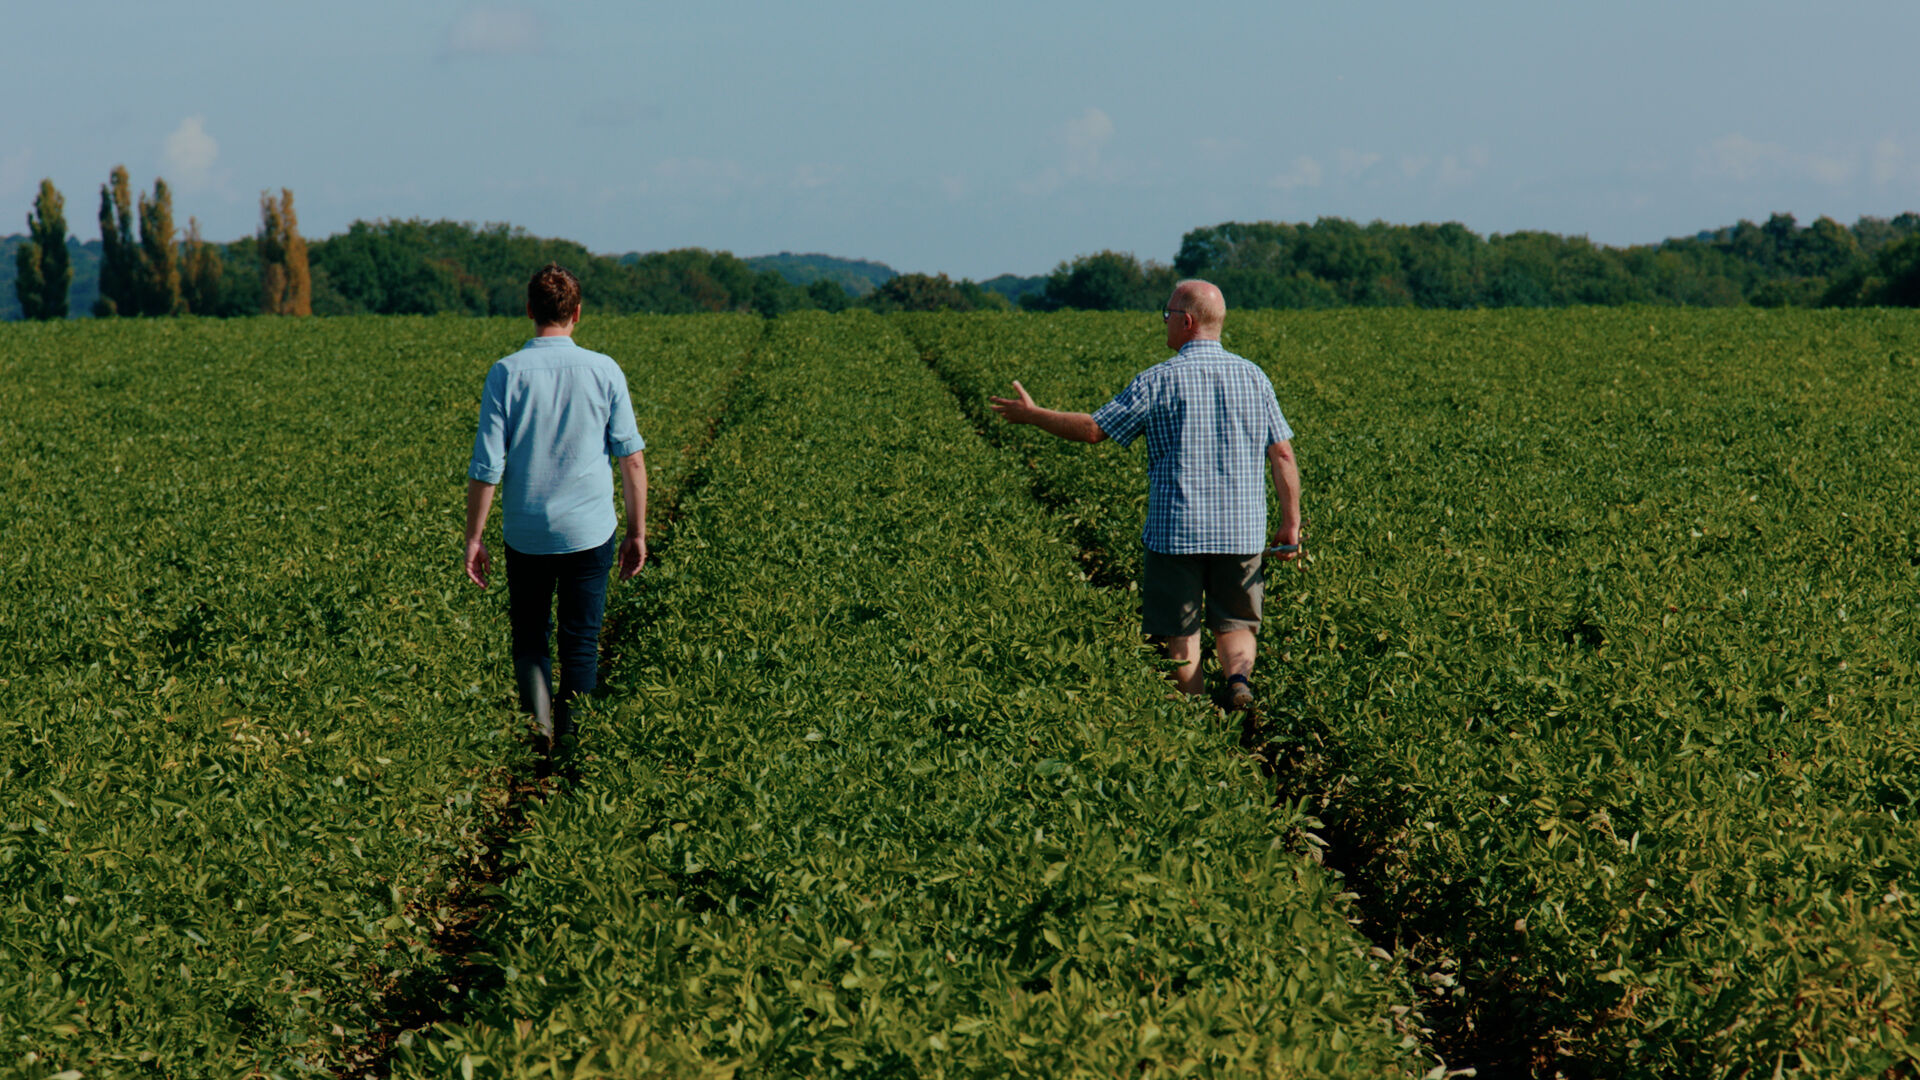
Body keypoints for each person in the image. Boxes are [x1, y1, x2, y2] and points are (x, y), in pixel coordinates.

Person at [989, 279, 1300, 709]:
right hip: (1241, 532)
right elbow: (1282, 453)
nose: (1165, 322)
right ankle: (1239, 682)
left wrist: (1033, 415)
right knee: (1236, 623)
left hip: (1178, 533)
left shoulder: (1158, 380)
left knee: (1181, 632)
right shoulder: (1253, 376)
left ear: (1186, 321)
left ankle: (1195, 725)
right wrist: (1291, 522)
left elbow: (1094, 430)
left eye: (1168, 315)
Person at [463, 263, 648, 756]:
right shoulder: (604, 369)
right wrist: (637, 532)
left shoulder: (505, 373)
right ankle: (573, 746)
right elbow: (631, 458)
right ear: (577, 314)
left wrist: (474, 538)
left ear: (529, 310)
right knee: (581, 643)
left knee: (530, 639)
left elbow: (487, 465)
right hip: (590, 530)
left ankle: (539, 733)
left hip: (526, 532)